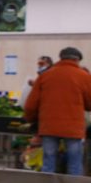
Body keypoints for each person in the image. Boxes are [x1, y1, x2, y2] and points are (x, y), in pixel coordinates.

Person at [25, 47, 91, 176]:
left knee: (49, 161)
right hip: (73, 127)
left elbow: (31, 104)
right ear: (77, 60)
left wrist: (31, 120)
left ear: (61, 58)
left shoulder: (45, 76)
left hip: (49, 125)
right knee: (74, 162)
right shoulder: (84, 76)